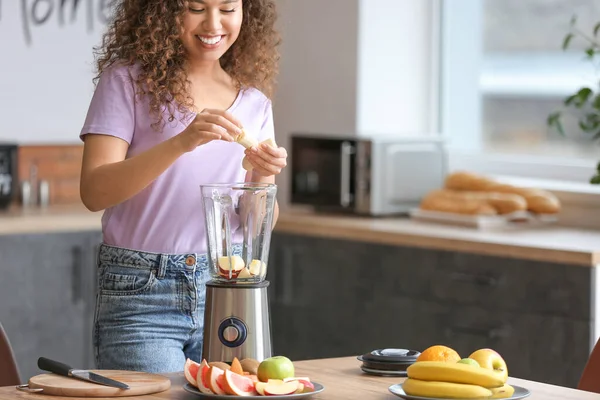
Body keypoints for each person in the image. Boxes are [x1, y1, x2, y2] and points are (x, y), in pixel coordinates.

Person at [78, 0, 285, 373]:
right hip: (142, 294)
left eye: (227, 8)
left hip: (227, 286)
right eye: (195, 7)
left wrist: (263, 175)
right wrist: (181, 142)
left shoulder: (255, 103)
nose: (213, 23)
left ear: (245, 13)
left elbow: (255, 224)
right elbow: (94, 191)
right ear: (162, 12)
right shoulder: (126, 83)